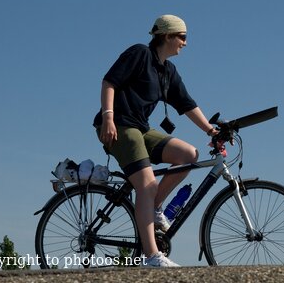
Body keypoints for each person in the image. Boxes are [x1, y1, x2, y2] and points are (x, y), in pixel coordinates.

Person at [93, 14, 217, 267]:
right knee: (147, 185)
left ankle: (154, 206)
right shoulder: (140, 53)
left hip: (141, 128)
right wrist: (108, 117)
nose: (185, 43)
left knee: (188, 155)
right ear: (167, 36)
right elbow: (109, 82)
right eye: (182, 37)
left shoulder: (168, 71)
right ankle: (151, 256)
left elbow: (186, 104)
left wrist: (210, 131)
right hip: (119, 125)